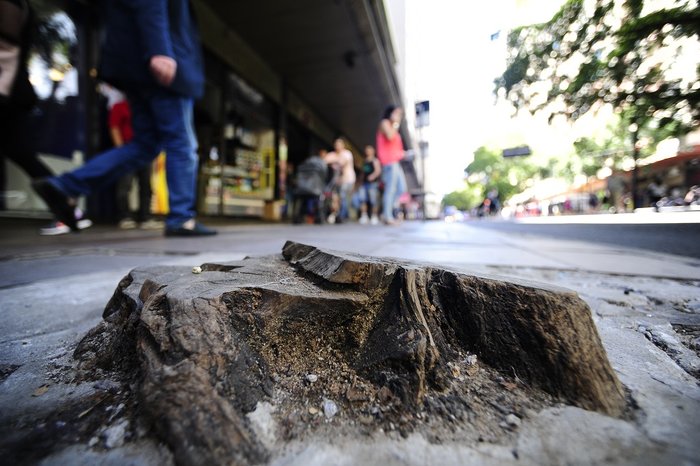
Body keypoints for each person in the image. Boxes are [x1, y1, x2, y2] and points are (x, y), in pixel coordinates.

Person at [31, 0, 216, 236]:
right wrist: (159, 50)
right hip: (160, 66)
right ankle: (181, 217)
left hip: (135, 67)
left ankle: (67, 186)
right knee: (181, 143)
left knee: (144, 145)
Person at [0, 0, 92, 235]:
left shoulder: (12, 7)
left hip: (7, 90)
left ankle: (66, 203)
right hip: (12, 89)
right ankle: (66, 204)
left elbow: (7, 48)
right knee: (18, 150)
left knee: (19, 151)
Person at [101, 84, 162, 230]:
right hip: (128, 150)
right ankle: (124, 216)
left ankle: (146, 217)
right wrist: (121, 149)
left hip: (144, 151)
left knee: (146, 185)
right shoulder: (120, 106)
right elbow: (114, 127)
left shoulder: (145, 110)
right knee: (125, 185)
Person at [376, 105, 407, 225]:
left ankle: (386, 212)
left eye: (400, 114)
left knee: (401, 189)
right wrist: (395, 123)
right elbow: (389, 136)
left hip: (396, 162)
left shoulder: (394, 127)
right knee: (391, 189)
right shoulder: (385, 123)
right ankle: (387, 216)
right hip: (388, 162)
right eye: (397, 113)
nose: (398, 116)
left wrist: (404, 154)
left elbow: (395, 148)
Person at [323, 137, 356, 223]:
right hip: (335, 181)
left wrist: (333, 161)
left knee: (342, 197)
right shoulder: (333, 154)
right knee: (334, 198)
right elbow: (324, 160)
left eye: (339, 144)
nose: (337, 146)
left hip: (347, 179)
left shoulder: (347, 153)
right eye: (336, 144)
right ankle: (335, 214)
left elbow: (341, 163)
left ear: (343, 145)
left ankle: (341, 215)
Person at [357, 145, 381, 225]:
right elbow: (362, 172)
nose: (367, 151)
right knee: (362, 199)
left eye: (369, 150)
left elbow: (378, 171)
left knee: (373, 200)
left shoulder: (375, 160)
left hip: (372, 184)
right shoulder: (365, 161)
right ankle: (364, 216)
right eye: (366, 150)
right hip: (364, 183)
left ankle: (374, 216)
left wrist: (372, 176)